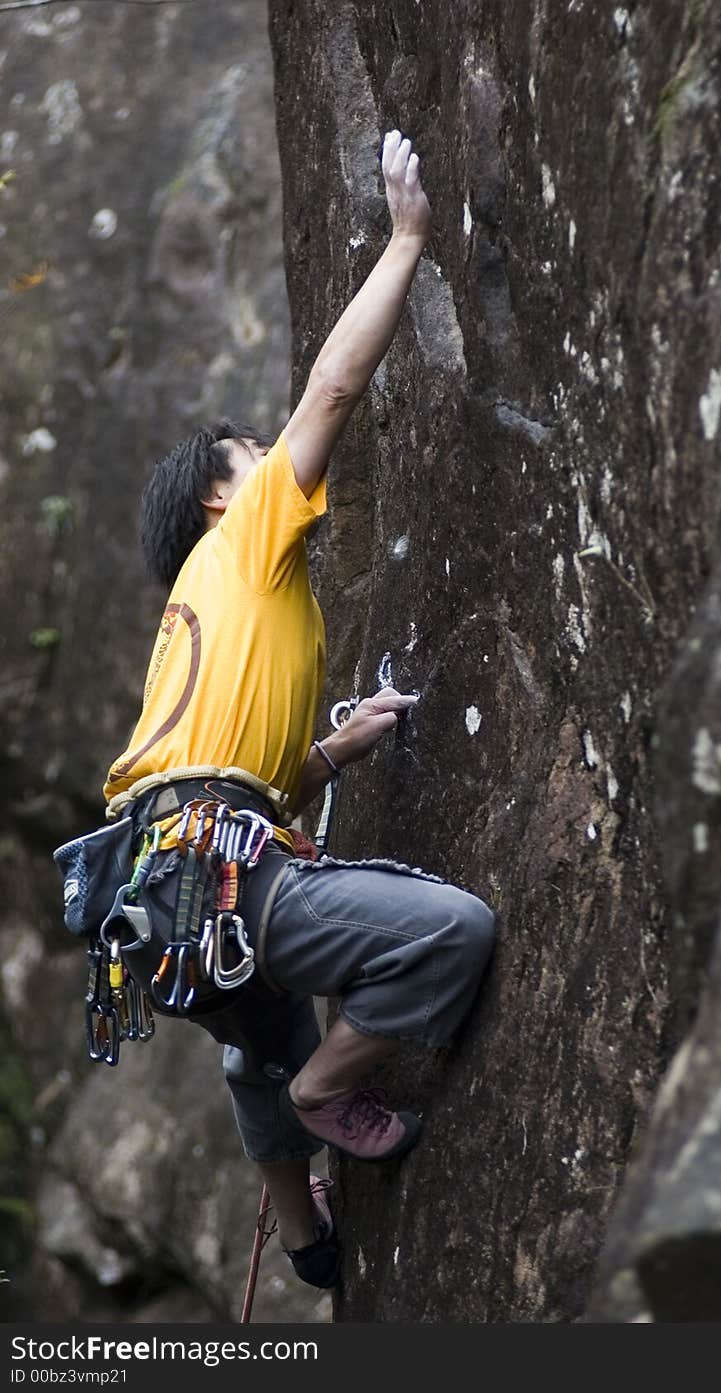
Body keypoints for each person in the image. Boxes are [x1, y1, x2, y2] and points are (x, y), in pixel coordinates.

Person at [101, 131, 496, 1292]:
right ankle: (332, 1089)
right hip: (227, 874)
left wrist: (333, 746)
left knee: (252, 1034)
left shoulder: (198, 614)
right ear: (224, 493)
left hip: (163, 891)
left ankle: (310, 1235)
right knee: (451, 931)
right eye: (251, 453)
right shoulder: (246, 539)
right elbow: (335, 386)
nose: (274, 457)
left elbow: (229, 769)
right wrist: (409, 237)